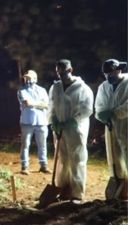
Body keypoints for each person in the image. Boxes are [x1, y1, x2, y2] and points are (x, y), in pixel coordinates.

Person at [48, 59, 94, 203]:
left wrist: (73, 121)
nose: (61, 75)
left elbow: (87, 109)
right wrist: (53, 120)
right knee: (62, 159)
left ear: (71, 70)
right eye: (58, 72)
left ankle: (77, 194)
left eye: (64, 72)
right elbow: (51, 106)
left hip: (75, 130)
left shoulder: (83, 88)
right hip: (59, 130)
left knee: (77, 160)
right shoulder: (55, 87)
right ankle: (63, 189)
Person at [94, 59, 128, 200]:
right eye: (106, 74)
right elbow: (99, 106)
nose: (108, 77)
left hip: (126, 124)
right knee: (114, 156)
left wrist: (114, 113)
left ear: (118, 70)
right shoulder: (103, 86)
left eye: (111, 73)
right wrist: (102, 116)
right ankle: (121, 185)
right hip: (110, 126)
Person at [17, 70, 50, 175]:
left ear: (35, 79)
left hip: (41, 122)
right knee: (26, 145)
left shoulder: (42, 90)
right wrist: (39, 104)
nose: (27, 80)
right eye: (26, 78)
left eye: (30, 78)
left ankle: (44, 166)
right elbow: (27, 103)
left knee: (42, 145)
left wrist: (34, 104)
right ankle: (24, 166)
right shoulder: (21, 90)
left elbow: (46, 105)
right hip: (27, 122)